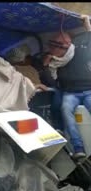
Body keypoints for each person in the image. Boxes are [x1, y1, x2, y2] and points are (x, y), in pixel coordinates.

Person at [44, 15, 91, 159]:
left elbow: (90, 35)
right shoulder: (55, 62)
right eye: (55, 44)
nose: (57, 46)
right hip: (70, 93)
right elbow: (51, 80)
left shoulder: (81, 50)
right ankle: (78, 148)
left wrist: (87, 22)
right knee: (65, 111)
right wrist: (46, 64)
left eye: (61, 42)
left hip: (88, 90)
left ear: (70, 42)